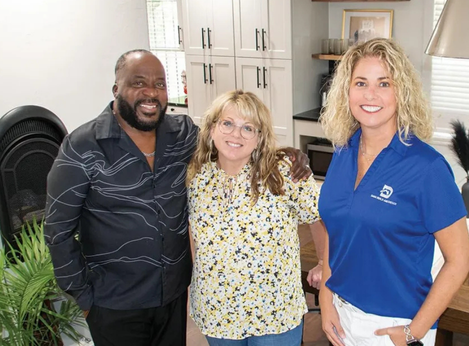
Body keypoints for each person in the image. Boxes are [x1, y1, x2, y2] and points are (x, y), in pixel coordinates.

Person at [44, 50, 310, 346]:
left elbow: (233, 141)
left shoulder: (182, 135)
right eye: (138, 82)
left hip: (171, 297)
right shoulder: (82, 146)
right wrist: (82, 295)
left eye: (160, 84)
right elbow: (58, 229)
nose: (151, 92)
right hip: (114, 302)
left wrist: (283, 153)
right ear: (116, 89)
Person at [318, 38, 469, 346]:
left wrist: (412, 332)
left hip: (394, 327)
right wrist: (325, 296)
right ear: (346, 91)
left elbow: (461, 260)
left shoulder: (427, 167)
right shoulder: (342, 152)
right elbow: (336, 234)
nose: (370, 94)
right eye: (361, 82)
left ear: (401, 92)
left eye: (384, 83)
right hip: (340, 314)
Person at [187, 90, 326, 346]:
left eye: (248, 128)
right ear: (211, 129)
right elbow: (191, 235)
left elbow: (318, 217)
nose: (236, 134)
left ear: (259, 137)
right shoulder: (195, 178)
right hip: (217, 310)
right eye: (227, 123)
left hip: (275, 312)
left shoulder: (283, 173)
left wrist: (321, 263)